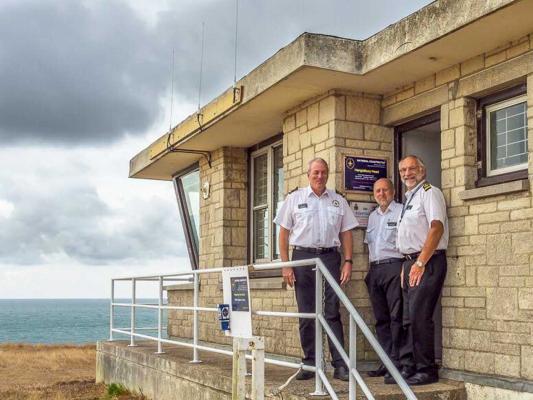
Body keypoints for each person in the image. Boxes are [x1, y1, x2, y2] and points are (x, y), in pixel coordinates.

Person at [274, 157, 359, 381]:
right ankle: (310, 363)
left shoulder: (338, 201)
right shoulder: (294, 199)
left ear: (328, 174)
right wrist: (286, 266)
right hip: (302, 257)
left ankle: (340, 365)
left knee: (332, 311)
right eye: (316, 173)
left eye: (323, 173)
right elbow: (283, 234)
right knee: (307, 312)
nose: (320, 177)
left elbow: (347, 232)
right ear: (308, 174)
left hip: (330, 257)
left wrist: (348, 261)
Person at [396, 155, 448, 386]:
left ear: (422, 170)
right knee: (408, 317)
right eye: (403, 170)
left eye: (412, 169)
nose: (407, 173)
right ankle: (411, 365)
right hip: (410, 262)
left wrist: (419, 263)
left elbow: (436, 227)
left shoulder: (429, 192)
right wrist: (406, 264)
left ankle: (427, 369)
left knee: (419, 316)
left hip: (427, 262)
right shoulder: (410, 198)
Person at [363, 178, 405, 384]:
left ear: (393, 191)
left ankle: (397, 363)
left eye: (385, 190)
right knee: (381, 319)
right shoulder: (372, 217)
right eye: (378, 191)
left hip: (394, 267)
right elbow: (368, 247)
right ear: (374, 194)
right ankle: (386, 360)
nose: (381, 194)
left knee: (396, 318)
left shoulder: (401, 212)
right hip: (376, 270)